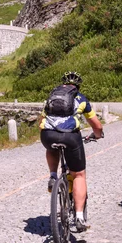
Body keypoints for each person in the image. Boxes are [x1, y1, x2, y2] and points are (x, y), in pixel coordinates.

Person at [39, 71, 104, 232]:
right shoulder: (80, 99)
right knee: (79, 175)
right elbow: (97, 125)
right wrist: (98, 135)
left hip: (47, 134)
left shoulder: (51, 97)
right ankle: (80, 217)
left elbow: (41, 120)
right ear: (77, 86)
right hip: (70, 137)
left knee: (51, 146)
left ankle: (53, 176)